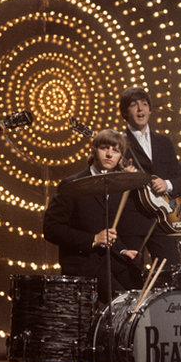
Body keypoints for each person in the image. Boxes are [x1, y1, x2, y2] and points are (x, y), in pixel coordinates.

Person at [43, 129, 144, 304]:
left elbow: (110, 232)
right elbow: (51, 229)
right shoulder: (72, 185)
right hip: (83, 264)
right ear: (93, 150)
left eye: (116, 150)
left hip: (111, 261)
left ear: (120, 157)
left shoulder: (117, 189)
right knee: (123, 303)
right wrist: (93, 239)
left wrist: (123, 251)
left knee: (144, 296)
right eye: (105, 148)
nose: (109, 154)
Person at [117, 86, 181, 270]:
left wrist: (167, 184)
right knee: (130, 279)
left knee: (172, 274)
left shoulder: (164, 142)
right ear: (125, 112)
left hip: (163, 220)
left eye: (144, 104)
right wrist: (126, 177)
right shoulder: (118, 143)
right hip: (132, 222)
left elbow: (180, 178)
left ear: (150, 109)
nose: (140, 109)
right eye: (134, 105)